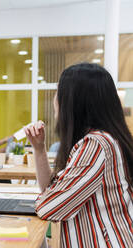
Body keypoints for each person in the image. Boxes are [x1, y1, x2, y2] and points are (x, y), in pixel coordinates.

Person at [25, 63, 133, 247]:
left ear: (73, 101)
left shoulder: (95, 145)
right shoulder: (103, 139)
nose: (54, 100)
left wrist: (48, 199)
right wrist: (39, 148)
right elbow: (50, 192)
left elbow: (50, 207)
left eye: (58, 93)